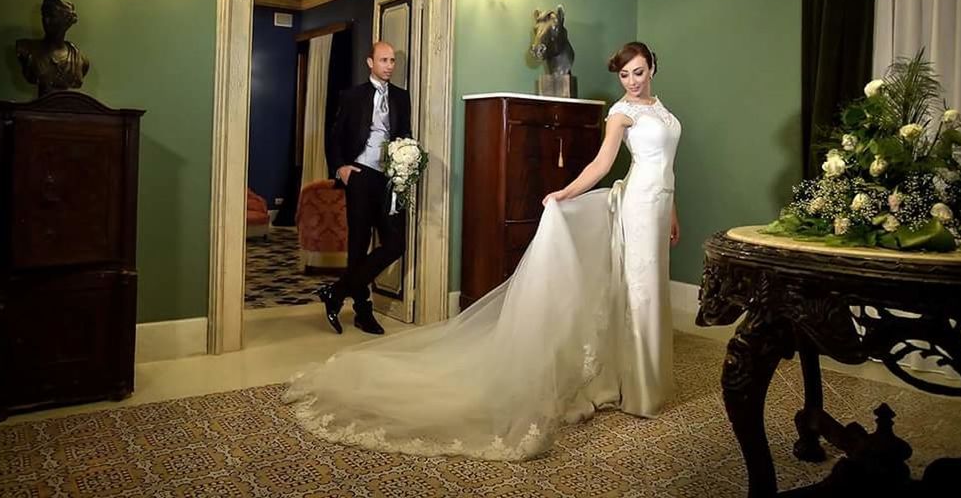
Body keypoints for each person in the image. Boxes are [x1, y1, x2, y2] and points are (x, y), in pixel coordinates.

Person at [285, 41, 681, 461]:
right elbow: (602, 166)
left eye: (638, 72)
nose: (632, 82)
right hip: (637, 206)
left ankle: (644, 378)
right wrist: (564, 192)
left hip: (659, 206)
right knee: (639, 292)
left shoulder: (660, 109)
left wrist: (673, 213)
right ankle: (638, 389)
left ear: (652, 67)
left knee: (650, 290)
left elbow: (667, 165)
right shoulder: (622, 113)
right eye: (624, 75)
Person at [316, 41, 412, 335]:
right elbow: (333, 136)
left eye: (393, 60)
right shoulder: (352, 96)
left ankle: (336, 291)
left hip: (389, 179)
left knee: (395, 243)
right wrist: (341, 168)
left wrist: (406, 161)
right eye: (384, 60)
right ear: (370, 62)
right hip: (360, 174)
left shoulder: (401, 97)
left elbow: (404, 133)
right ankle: (363, 312)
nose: (390, 66)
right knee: (358, 244)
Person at [15, 0, 90, 96]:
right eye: (44, 16)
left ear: (66, 20)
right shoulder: (26, 49)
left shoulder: (79, 59)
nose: (46, 21)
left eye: (52, 16)